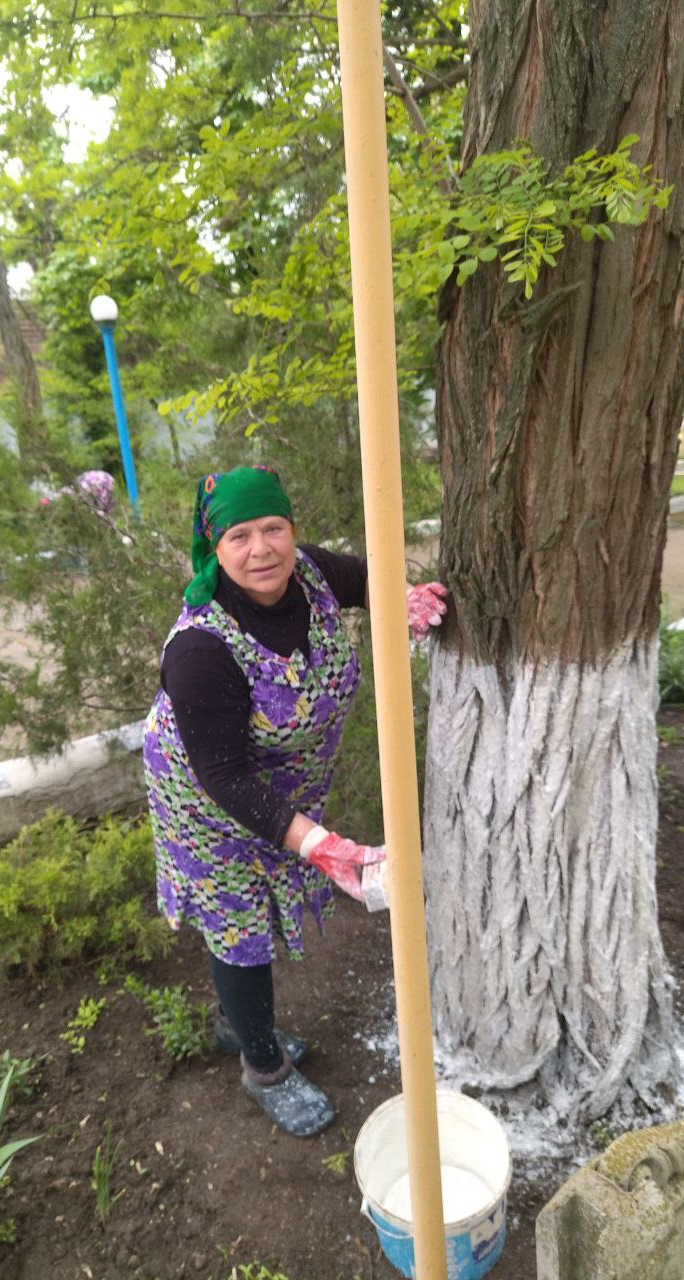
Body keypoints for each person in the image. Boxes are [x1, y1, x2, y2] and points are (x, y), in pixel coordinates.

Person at [143, 465, 446, 1137]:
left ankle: (235, 1023)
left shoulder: (308, 573)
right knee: (239, 922)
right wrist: (323, 845)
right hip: (207, 796)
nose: (262, 550)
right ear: (213, 547)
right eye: (239, 535)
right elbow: (223, 775)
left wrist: (400, 596)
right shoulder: (200, 648)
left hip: (281, 783)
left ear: (293, 529)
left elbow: (364, 578)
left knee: (255, 910)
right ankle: (261, 1065)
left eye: (273, 527)